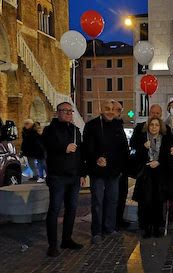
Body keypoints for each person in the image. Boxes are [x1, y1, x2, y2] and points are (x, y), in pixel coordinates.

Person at [43, 102, 86, 257]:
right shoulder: (50, 130)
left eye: (70, 111)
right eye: (65, 111)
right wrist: (64, 148)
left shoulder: (75, 130)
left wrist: (82, 174)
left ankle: (66, 239)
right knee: (54, 209)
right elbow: (47, 145)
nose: (68, 113)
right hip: (57, 177)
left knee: (72, 209)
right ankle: (52, 245)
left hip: (74, 177)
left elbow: (80, 154)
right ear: (57, 113)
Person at [83, 100, 129, 244]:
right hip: (98, 171)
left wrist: (120, 167)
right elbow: (87, 147)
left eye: (113, 109)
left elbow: (123, 149)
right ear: (101, 110)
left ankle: (109, 227)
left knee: (112, 200)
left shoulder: (117, 125)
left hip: (114, 171)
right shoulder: (91, 125)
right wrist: (96, 158)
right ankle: (96, 231)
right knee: (97, 202)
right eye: (107, 108)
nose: (110, 111)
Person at [132, 117, 168, 238]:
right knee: (145, 202)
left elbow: (167, 155)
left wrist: (159, 162)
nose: (154, 127)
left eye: (156, 125)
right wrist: (143, 147)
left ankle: (157, 226)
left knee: (158, 201)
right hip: (145, 173)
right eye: (151, 124)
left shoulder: (165, 139)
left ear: (160, 127)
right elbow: (136, 156)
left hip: (159, 173)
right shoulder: (142, 138)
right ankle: (146, 227)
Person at [111, 100, 130, 229]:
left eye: (120, 110)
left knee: (122, 195)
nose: (120, 112)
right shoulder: (108, 125)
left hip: (123, 167)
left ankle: (119, 220)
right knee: (114, 197)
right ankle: (113, 221)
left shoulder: (118, 124)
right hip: (113, 167)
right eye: (118, 110)